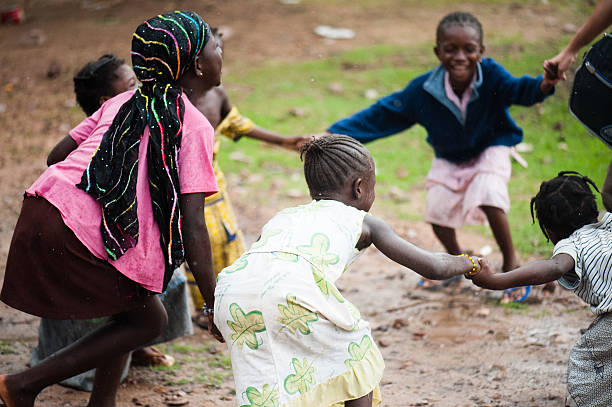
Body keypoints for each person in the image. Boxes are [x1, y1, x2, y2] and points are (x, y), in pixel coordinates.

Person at [0, 11, 223, 407]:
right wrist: (213, 301)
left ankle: (100, 403)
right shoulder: (194, 125)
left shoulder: (123, 101)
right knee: (148, 319)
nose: (222, 51)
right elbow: (193, 227)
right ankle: (22, 385)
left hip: (45, 206)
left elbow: (57, 156)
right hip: (78, 230)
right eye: (216, 47)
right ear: (197, 65)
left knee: (132, 310)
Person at [214, 134, 481, 407]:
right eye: (373, 187)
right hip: (291, 291)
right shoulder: (362, 221)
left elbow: (258, 264)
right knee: (356, 355)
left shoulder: (284, 216)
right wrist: (470, 262)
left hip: (230, 293)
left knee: (265, 377)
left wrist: (212, 310)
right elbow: (433, 266)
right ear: (359, 188)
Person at [325, 11, 558, 300]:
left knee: (488, 193)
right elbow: (383, 114)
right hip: (450, 156)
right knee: (436, 210)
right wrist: (333, 134)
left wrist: (545, 84)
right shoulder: (423, 91)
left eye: (469, 49)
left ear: (480, 51)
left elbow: (521, 90)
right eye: (451, 49)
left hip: (490, 147)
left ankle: (510, 263)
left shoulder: (493, 76)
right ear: (438, 51)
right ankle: (457, 263)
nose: (460, 56)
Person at [29, 54, 193, 393]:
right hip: (86, 233)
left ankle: (134, 343)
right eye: (132, 85)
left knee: (148, 285)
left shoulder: (135, 119)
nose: (140, 89)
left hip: (74, 224)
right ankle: (36, 382)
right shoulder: (122, 118)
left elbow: (54, 157)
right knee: (134, 292)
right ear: (108, 99)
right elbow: (58, 160)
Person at [185, 28, 304, 328]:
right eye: (217, 52)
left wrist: (283, 140)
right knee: (200, 243)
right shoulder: (174, 103)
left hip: (215, 184)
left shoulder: (217, 94)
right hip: (186, 190)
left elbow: (235, 124)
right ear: (196, 62)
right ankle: (204, 307)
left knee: (229, 238)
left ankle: (233, 299)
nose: (223, 59)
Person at [467, 171, 612, 407]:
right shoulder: (609, 223)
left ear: (549, 231)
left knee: (586, 361)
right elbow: (609, 193)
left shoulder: (572, 244)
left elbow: (553, 267)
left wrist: (495, 281)